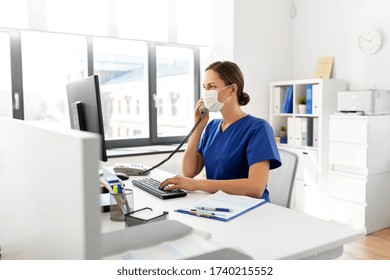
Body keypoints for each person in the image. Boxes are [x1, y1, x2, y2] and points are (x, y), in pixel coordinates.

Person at [160, 61, 281, 200]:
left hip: (250, 210)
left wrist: (199, 184)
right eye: (205, 88)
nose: (206, 93)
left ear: (232, 89)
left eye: (212, 87)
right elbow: (188, 172)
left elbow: (256, 188)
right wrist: (198, 128)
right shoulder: (211, 127)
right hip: (218, 204)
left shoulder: (258, 128)